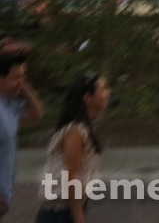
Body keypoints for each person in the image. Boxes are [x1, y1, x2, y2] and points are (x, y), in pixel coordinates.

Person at [36, 74, 111, 223]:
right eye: (103, 90)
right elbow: (72, 176)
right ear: (88, 99)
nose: (108, 93)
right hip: (60, 213)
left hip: (66, 210)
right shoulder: (75, 131)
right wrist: (78, 217)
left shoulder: (83, 128)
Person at [0, 52, 44, 218]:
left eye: (23, 77)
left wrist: (24, 86)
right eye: (16, 77)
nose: (21, 82)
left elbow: (37, 113)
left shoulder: (10, 104)